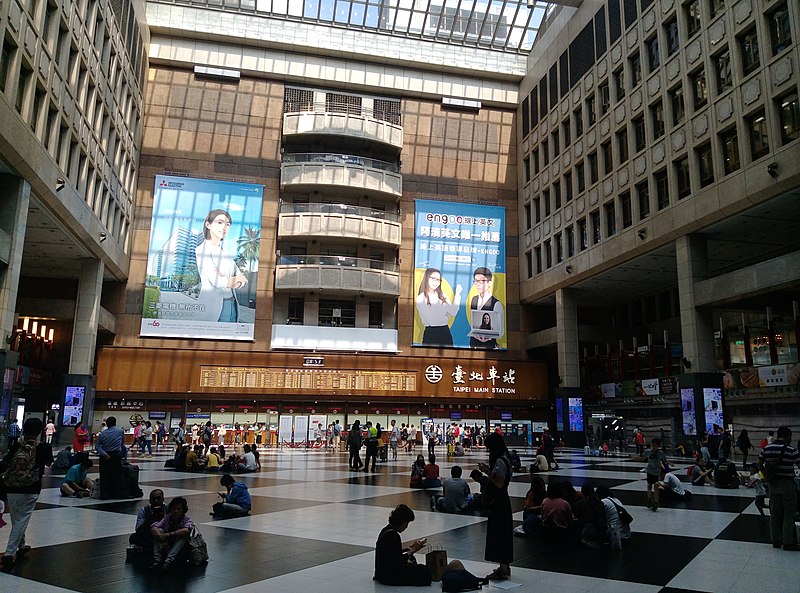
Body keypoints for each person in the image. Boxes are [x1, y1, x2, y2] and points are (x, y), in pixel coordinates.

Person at [0, 418, 54, 571]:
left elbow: (6, 461)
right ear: (39, 431)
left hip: (11, 486)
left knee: (17, 517)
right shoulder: (44, 447)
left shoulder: (17, 445)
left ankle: (21, 545)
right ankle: (9, 554)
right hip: (31, 487)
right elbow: (49, 463)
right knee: (21, 519)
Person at [195, 209, 248, 323]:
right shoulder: (201, 250)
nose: (224, 227)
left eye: (227, 224)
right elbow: (217, 281)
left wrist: (229, 279)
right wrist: (229, 280)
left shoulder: (225, 254)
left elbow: (243, 279)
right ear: (208, 224)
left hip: (233, 306)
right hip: (215, 308)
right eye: (220, 222)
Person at [476, 432, 513, 580]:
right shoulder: (506, 457)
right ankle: (505, 566)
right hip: (503, 501)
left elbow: (499, 482)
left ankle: (503, 569)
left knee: (499, 534)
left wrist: (487, 471)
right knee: (503, 533)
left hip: (499, 502)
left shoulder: (499, 461)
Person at [758, 426, 800, 551]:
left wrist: (766, 475)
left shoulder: (767, 449)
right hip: (787, 485)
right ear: (788, 437)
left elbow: (759, 463)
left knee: (775, 513)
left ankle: (776, 540)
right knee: (789, 513)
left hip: (773, 485)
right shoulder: (791, 450)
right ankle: (787, 542)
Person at [373, 504, 431, 586]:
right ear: (403, 521)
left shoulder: (386, 530)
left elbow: (390, 554)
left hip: (381, 572)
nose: (406, 527)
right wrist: (412, 551)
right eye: (407, 523)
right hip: (389, 576)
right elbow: (398, 560)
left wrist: (406, 549)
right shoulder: (393, 535)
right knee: (424, 570)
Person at [415, 267, 462, 346]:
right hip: (432, 334)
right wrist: (446, 316)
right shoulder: (421, 298)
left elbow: (453, 312)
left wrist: (457, 295)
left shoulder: (441, 294)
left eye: (438, 280)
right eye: (433, 278)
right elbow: (433, 321)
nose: (436, 282)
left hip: (446, 332)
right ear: (426, 278)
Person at [150, 497, 194, 570]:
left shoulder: (187, 519)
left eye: (178, 509)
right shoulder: (168, 518)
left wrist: (168, 535)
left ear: (183, 510)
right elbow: (154, 527)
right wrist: (160, 536)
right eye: (173, 509)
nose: (175, 511)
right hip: (167, 545)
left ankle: (168, 561)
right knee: (159, 530)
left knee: (183, 536)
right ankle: (157, 560)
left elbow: (186, 530)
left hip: (181, 548)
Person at [469, 267, 504, 349]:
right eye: (476, 281)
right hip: (473, 344)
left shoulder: (496, 304)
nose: (478, 284)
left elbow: (501, 331)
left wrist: (488, 337)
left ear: (489, 283)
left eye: (481, 281)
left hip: (489, 346)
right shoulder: (474, 299)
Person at [95, 416, 127, 499]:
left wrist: (104, 454)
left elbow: (97, 446)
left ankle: (105, 494)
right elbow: (122, 444)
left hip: (105, 456)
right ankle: (120, 493)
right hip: (116, 455)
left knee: (104, 475)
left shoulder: (102, 434)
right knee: (118, 475)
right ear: (115, 422)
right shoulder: (120, 431)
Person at [635, 437, 666, 511]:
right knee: (649, 485)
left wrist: (664, 470)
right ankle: (649, 499)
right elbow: (642, 457)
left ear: (658, 446)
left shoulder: (660, 453)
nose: (653, 446)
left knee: (656, 487)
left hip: (656, 472)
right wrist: (634, 458)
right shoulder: (648, 451)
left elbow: (664, 461)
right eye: (653, 445)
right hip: (649, 471)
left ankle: (655, 502)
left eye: (655, 445)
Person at [596, 485, 631, 550]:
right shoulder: (615, 499)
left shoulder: (604, 502)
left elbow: (599, 519)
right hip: (626, 534)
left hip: (616, 536)